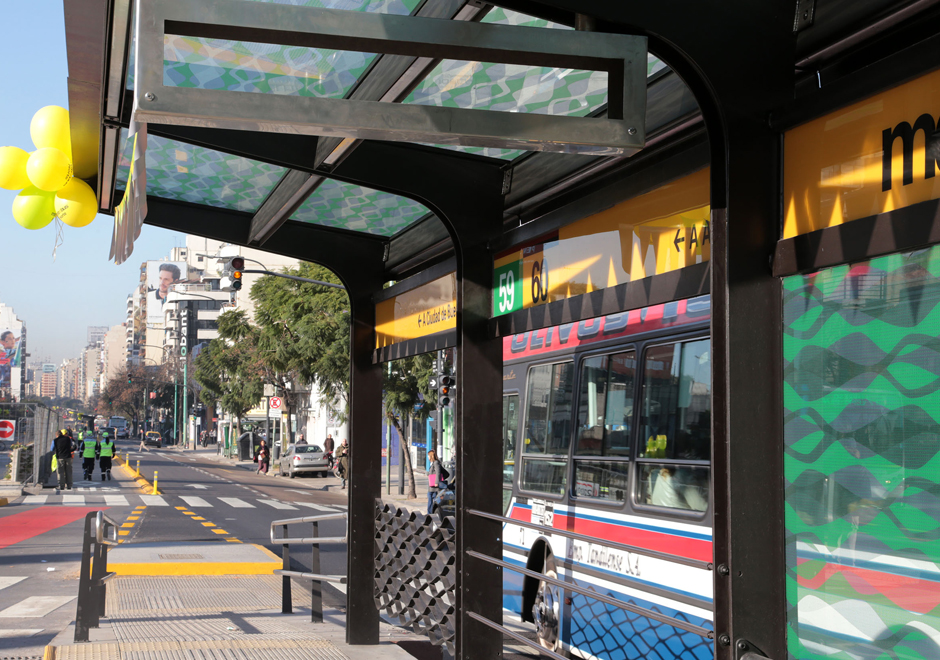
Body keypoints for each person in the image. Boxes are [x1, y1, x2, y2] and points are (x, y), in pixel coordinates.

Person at [426, 450, 449, 515]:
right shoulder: (433, 463)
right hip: (432, 485)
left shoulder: (436, 463)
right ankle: (431, 512)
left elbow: (438, 473)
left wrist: (437, 482)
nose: (428, 457)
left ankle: (430, 513)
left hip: (434, 485)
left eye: (428, 455)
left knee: (431, 497)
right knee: (432, 497)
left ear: (431, 456)